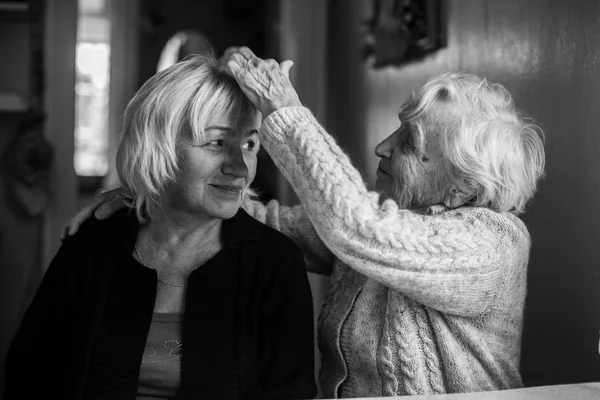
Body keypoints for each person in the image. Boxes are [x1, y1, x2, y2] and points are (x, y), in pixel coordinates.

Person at [63, 47, 546, 398]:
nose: (383, 147)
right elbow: (264, 218)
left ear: (461, 185)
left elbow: (354, 226)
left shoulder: (492, 244)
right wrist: (151, 185)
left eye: (409, 141)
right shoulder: (387, 226)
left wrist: (285, 112)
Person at [4, 54, 316, 400]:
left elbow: (291, 394)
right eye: (216, 143)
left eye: (249, 145)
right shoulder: (94, 244)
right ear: (159, 146)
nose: (240, 168)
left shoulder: (276, 263)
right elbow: (28, 377)